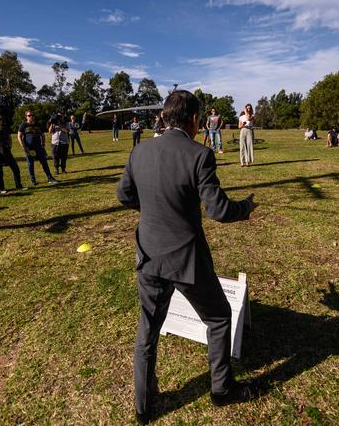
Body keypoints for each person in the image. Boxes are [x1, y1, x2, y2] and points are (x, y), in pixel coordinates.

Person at [116, 90, 260, 425]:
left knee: (147, 332)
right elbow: (219, 210)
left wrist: (151, 209)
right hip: (186, 260)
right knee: (219, 317)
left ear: (165, 117)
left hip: (149, 256)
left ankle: (143, 406)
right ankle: (221, 390)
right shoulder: (200, 155)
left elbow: (124, 195)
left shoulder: (139, 151)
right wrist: (247, 207)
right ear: (195, 120)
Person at [17, 111, 58, 185]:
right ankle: (33, 180)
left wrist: (43, 144)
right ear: (26, 117)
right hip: (29, 148)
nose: (31, 116)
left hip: (39, 148)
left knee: (44, 162)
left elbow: (43, 135)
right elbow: (19, 136)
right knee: (30, 164)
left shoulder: (38, 124)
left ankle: (50, 178)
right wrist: (24, 147)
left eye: (32, 115)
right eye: (29, 115)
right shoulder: (23, 125)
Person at [0, 115, 25, 193]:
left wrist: (10, 145)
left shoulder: (5, 128)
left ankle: (19, 185)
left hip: (7, 151)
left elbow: (9, 137)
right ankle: (2, 188)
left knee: (15, 168)